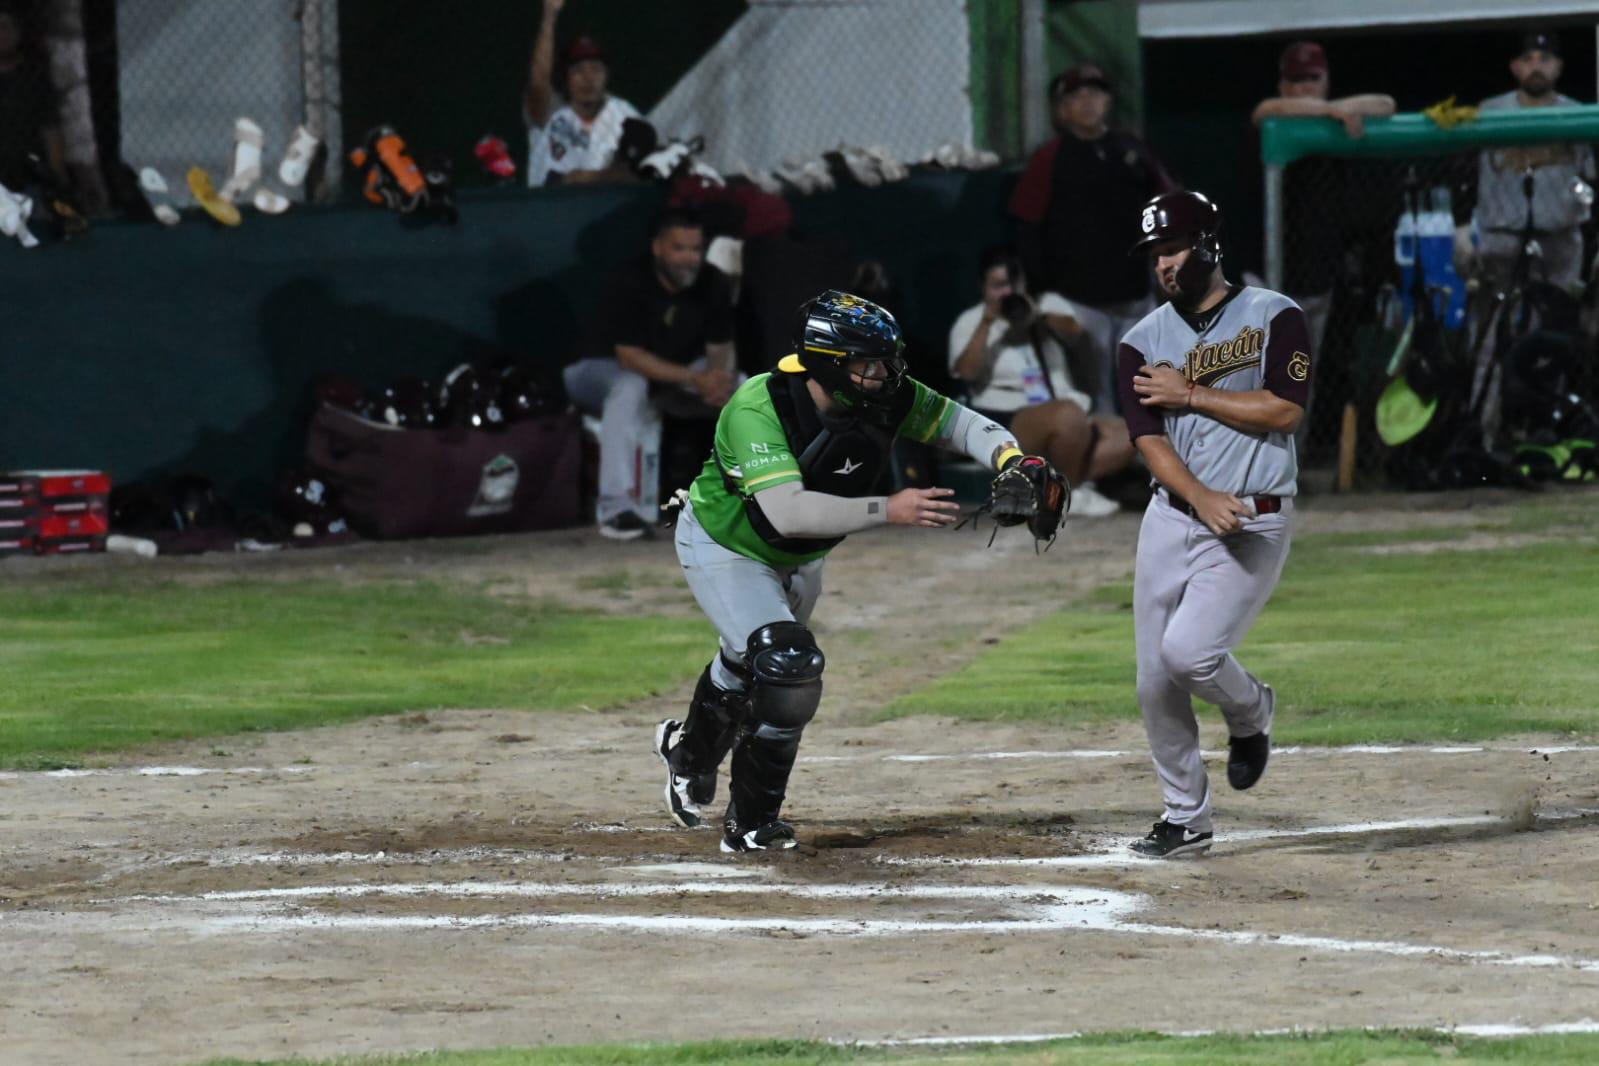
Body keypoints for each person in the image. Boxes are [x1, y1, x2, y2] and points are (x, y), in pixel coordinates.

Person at [657, 290, 1044, 852]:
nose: (885, 375)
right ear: (826, 364)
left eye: (886, 361)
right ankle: (751, 825)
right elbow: (788, 512)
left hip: (801, 555)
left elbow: (967, 427)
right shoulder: (757, 406)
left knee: (750, 666)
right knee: (787, 665)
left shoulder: (883, 397)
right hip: (727, 545)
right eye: (868, 364)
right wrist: (890, 508)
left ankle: (686, 751)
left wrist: (1015, 462)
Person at [1117, 190, 1312, 858]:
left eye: (1171, 248)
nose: (1163, 265)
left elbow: (1285, 410)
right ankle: (1184, 819)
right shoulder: (1138, 342)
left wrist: (1192, 392)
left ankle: (1250, 709)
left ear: (1207, 245)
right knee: (1152, 680)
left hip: (1253, 519)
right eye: (1154, 255)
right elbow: (1149, 442)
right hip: (1172, 516)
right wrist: (1197, 496)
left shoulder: (1273, 314)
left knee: (1190, 653)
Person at [1008, 63, 1177, 412]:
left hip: (1135, 295)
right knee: (1095, 401)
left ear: (1108, 101)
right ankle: (1108, 465)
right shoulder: (1050, 158)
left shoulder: (1133, 151)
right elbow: (1027, 222)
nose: (1087, 102)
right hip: (1079, 301)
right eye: (1077, 95)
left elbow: (1168, 205)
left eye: (1095, 93)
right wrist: (1042, 292)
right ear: (1062, 108)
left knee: (1148, 391)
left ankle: (1150, 464)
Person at [563, 208, 737, 540]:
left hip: (674, 370)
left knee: (744, 385)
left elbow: (719, 347)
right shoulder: (630, 279)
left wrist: (717, 381)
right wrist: (696, 379)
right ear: (658, 248)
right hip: (593, 372)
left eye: (695, 249)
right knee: (630, 386)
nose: (689, 258)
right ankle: (617, 509)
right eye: (679, 248)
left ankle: (751, 500)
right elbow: (629, 358)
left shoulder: (712, 281)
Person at [948, 247, 1135, 516]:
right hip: (1006, 422)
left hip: (1063, 413)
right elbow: (966, 372)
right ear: (984, 288)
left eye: (1014, 285)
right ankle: (1068, 493)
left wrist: (1037, 317)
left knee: (1131, 434)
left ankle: (1051, 487)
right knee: (1067, 415)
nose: (1008, 293)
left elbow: (1075, 332)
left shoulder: (1044, 305)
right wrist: (989, 323)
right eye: (998, 286)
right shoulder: (971, 320)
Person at [1251, 41, 1395, 359]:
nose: (1304, 89)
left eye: (1312, 80)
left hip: (1316, 278)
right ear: (1283, 85)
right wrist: (1330, 110)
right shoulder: (1278, 121)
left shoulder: (1335, 120)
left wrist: (1335, 110)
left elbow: (1386, 104)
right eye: (1296, 81)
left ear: (1326, 81)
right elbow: (1265, 109)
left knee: (1303, 377)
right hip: (1262, 281)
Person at [1472, 30, 1595, 297]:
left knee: (1558, 325)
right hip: (1500, 236)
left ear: (1558, 67)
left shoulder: (1578, 114)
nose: (1536, 66)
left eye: (1545, 59)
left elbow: (1589, 178)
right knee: (1493, 328)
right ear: (1515, 67)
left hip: (1559, 238)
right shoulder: (1489, 112)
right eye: (1528, 59)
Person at [522, 0, 639, 187]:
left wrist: (583, 178)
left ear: (607, 75)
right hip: (546, 208)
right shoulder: (553, 112)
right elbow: (538, 83)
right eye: (578, 70)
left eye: (595, 69)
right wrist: (549, 18)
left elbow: (639, 171)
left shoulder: (623, 114)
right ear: (566, 78)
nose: (588, 78)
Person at [0, 8, 67, 195]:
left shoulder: (35, 79)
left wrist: (56, 174)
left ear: (18, 33)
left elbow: (51, 129)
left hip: (28, 169)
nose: (2, 35)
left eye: (6, 28)